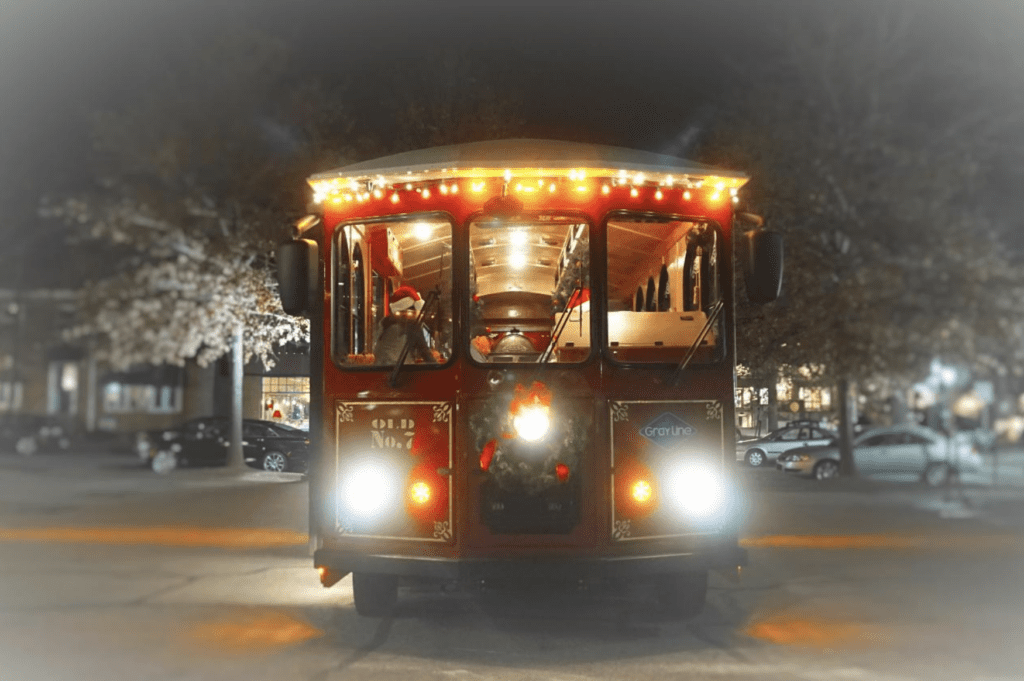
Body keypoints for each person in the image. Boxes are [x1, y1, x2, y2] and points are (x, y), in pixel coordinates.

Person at [373, 286, 436, 365]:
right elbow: (426, 354)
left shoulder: (384, 323)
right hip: (401, 372)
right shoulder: (412, 326)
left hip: (380, 371)